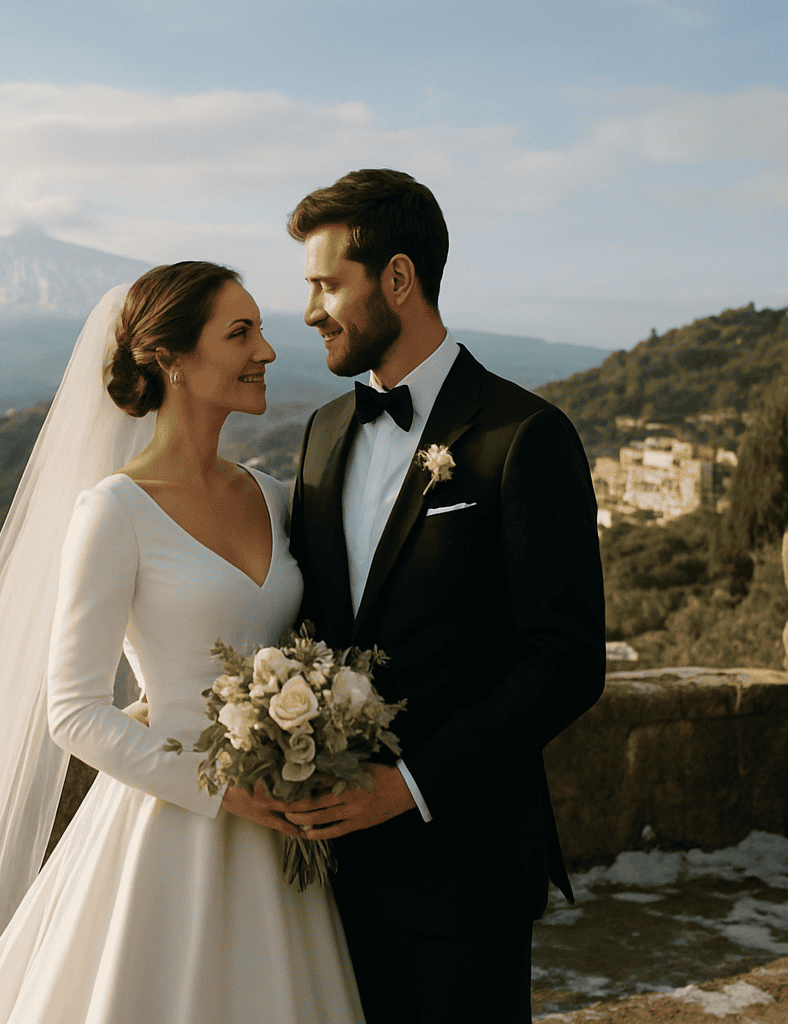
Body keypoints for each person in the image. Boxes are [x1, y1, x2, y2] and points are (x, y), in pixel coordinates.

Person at [0, 262, 365, 1024]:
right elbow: (72, 711)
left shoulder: (274, 495)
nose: (268, 350)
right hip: (171, 830)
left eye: (262, 330)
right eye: (241, 332)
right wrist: (218, 783)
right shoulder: (115, 511)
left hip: (278, 839)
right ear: (171, 358)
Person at [281, 169, 606, 1023]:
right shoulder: (319, 436)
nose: (312, 311)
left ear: (397, 278)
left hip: (464, 870)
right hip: (325, 881)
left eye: (326, 285)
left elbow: (566, 660)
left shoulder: (523, 437)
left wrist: (411, 784)